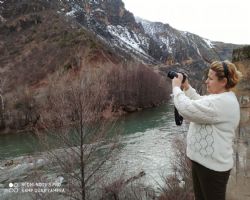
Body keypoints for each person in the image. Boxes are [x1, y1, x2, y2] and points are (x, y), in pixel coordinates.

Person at [171, 60, 242, 200]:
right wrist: (187, 87)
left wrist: (176, 88)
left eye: (210, 78)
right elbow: (200, 102)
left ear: (223, 81)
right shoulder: (219, 98)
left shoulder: (223, 102)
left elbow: (187, 109)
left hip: (212, 169)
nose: (206, 81)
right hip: (203, 163)